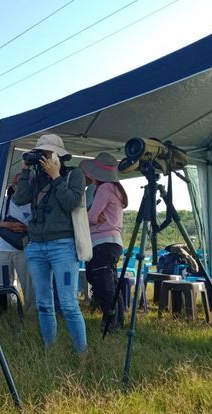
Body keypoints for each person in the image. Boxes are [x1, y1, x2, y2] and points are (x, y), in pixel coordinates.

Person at [13, 134, 87, 354]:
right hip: (36, 246)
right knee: (43, 304)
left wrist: (56, 177)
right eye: (40, 153)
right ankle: (49, 349)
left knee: (68, 304)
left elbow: (72, 203)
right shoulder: (36, 177)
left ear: (58, 155)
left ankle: (81, 354)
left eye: (46, 153)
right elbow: (19, 200)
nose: (43, 157)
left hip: (63, 245)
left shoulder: (75, 175)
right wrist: (26, 170)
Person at [80, 153, 129, 331]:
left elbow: (92, 217)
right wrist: (95, 215)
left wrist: (87, 215)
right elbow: (96, 216)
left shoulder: (104, 188)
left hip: (102, 242)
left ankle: (110, 323)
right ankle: (117, 322)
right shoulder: (115, 188)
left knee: (103, 284)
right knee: (111, 284)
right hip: (113, 242)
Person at [0, 175, 35, 311]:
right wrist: (8, 225)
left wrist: (26, 228)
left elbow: (39, 226)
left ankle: (30, 310)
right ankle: (8, 309)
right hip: (3, 249)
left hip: (25, 249)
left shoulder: (33, 204)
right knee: (5, 283)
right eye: (19, 184)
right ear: (14, 186)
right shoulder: (4, 202)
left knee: (28, 284)